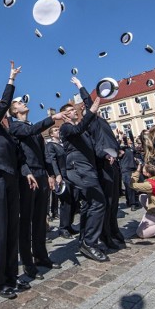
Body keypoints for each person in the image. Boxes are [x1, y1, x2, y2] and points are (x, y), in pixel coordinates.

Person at [0, 61, 37, 299]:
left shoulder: (9, 136)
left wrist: (28, 172)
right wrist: (11, 80)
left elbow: (21, 158)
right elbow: (4, 105)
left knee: (12, 229)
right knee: (0, 232)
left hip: (12, 180)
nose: (2, 114)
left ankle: (12, 277)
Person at [8, 99, 69, 279]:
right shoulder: (16, 127)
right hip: (28, 177)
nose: (24, 103)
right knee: (26, 221)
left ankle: (41, 256)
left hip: (42, 175)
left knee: (40, 219)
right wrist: (52, 118)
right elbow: (21, 151)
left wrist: (51, 174)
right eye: (19, 103)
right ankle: (28, 262)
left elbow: (44, 154)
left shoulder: (32, 127)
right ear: (14, 111)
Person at [72, 77, 127, 251]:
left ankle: (113, 233)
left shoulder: (102, 121)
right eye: (86, 108)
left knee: (114, 203)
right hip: (103, 164)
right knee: (108, 203)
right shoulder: (91, 122)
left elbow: (109, 140)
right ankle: (106, 236)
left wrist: (118, 149)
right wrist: (80, 85)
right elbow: (96, 146)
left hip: (113, 163)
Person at [58, 95, 108, 262]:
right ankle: (89, 242)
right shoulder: (66, 128)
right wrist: (91, 111)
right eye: (70, 110)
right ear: (64, 115)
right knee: (99, 202)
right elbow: (77, 130)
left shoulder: (81, 128)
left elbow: (92, 144)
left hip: (87, 168)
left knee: (89, 204)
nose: (74, 111)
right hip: (78, 168)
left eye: (74, 109)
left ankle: (85, 240)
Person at [45, 126, 79, 239]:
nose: (58, 131)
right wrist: (57, 175)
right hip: (62, 175)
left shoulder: (63, 144)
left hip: (71, 174)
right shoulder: (51, 145)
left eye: (59, 130)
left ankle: (69, 224)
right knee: (66, 202)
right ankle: (63, 228)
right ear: (51, 134)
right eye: (55, 130)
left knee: (74, 199)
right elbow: (52, 160)